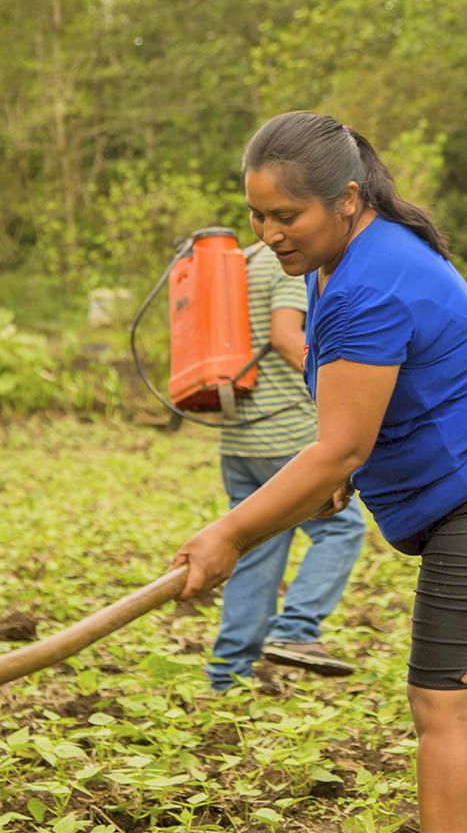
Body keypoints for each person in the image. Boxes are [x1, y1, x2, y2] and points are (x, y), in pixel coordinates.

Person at [173, 111, 467, 832]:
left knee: (442, 705)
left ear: (348, 198)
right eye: (257, 216)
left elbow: (339, 448)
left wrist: (229, 534)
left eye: (286, 215)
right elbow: (380, 420)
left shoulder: (370, 283)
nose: (268, 236)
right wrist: (337, 477)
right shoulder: (342, 261)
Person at [205, 240, 365, 692]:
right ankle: (296, 628)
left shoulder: (240, 264)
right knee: (341, 528)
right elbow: (284, 336)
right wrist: (340, 373)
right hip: (286, 435)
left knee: (253, 546)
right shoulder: (288, 265)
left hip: (239, 437)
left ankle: (227, 673)